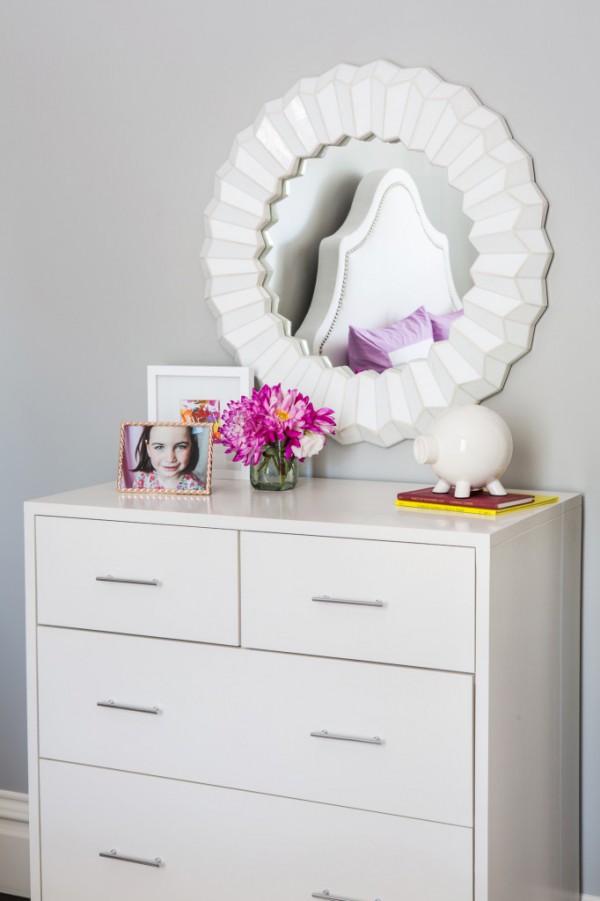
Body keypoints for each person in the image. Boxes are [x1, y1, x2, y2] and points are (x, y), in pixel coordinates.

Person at [130, 424, 204, 491]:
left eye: (181, 446)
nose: (170, 459)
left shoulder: (196, 488)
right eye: (159, 447)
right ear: (148, 448)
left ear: (191, 448)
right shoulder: (141, 480)